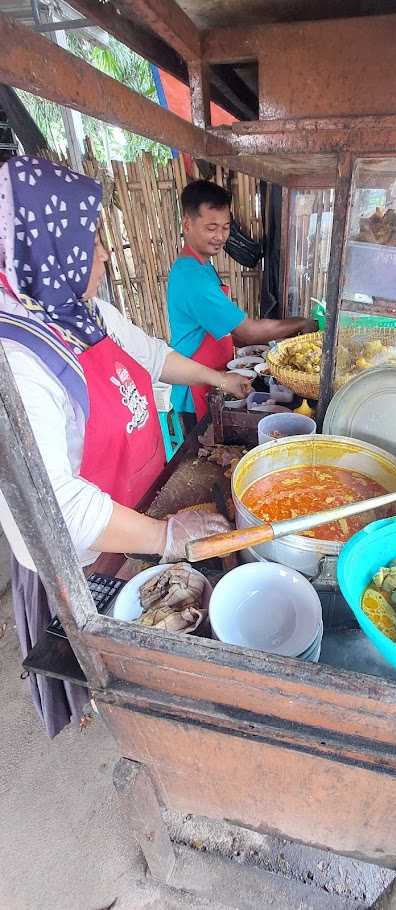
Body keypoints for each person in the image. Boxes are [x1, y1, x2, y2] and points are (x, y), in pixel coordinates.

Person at [0, 156, 251, 738]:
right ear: (43, 251)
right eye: (90, 244)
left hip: (138, 504)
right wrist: (165, 537)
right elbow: (55, 507)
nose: (106, 255)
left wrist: (218, 380)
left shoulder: (84, 314)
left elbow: (153, 355)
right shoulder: (16, 361)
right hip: (84, 551)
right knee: (110, 659)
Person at [167, 180, 318, 421]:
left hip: (217, 378)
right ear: (187, 223)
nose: (220, 236)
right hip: (196, 390)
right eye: (211, 227)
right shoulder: (193, 278)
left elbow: (231, 332)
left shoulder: (202, 267)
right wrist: (300, 323)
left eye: (225, 227)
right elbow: (247, 331)